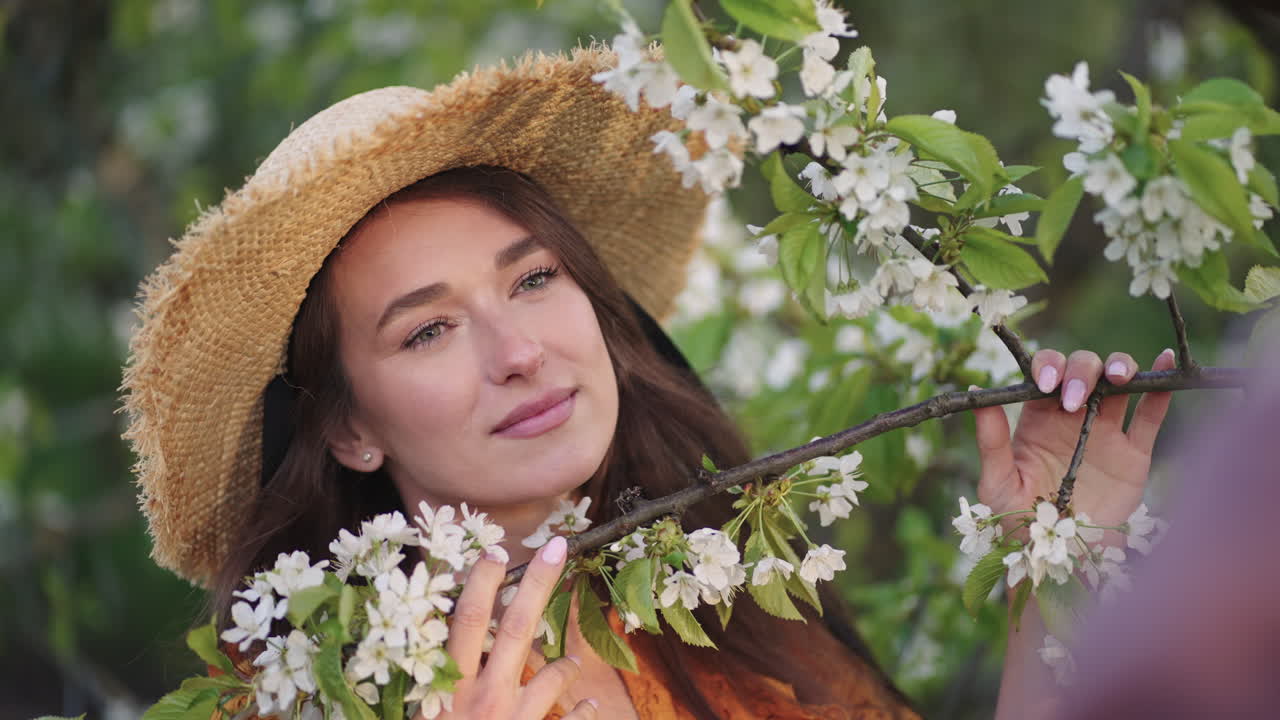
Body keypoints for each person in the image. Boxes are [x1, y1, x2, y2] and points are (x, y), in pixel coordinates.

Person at [120, 48, 1174, 720]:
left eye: (533, 278)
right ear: (349, 428)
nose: (517, 350)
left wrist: (1059, 551)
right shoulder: (312, 700)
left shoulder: (725, 616)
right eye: (428, 330)